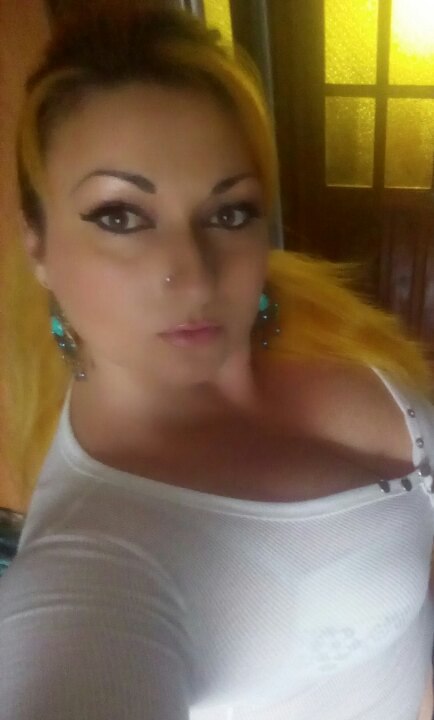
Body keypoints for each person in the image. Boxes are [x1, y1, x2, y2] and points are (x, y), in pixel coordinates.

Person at [0, 2, 433, 718]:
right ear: (38, 245)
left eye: (228, 213)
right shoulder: (98, 561)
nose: (195, 276)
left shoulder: (310, 315)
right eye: (119, 217)